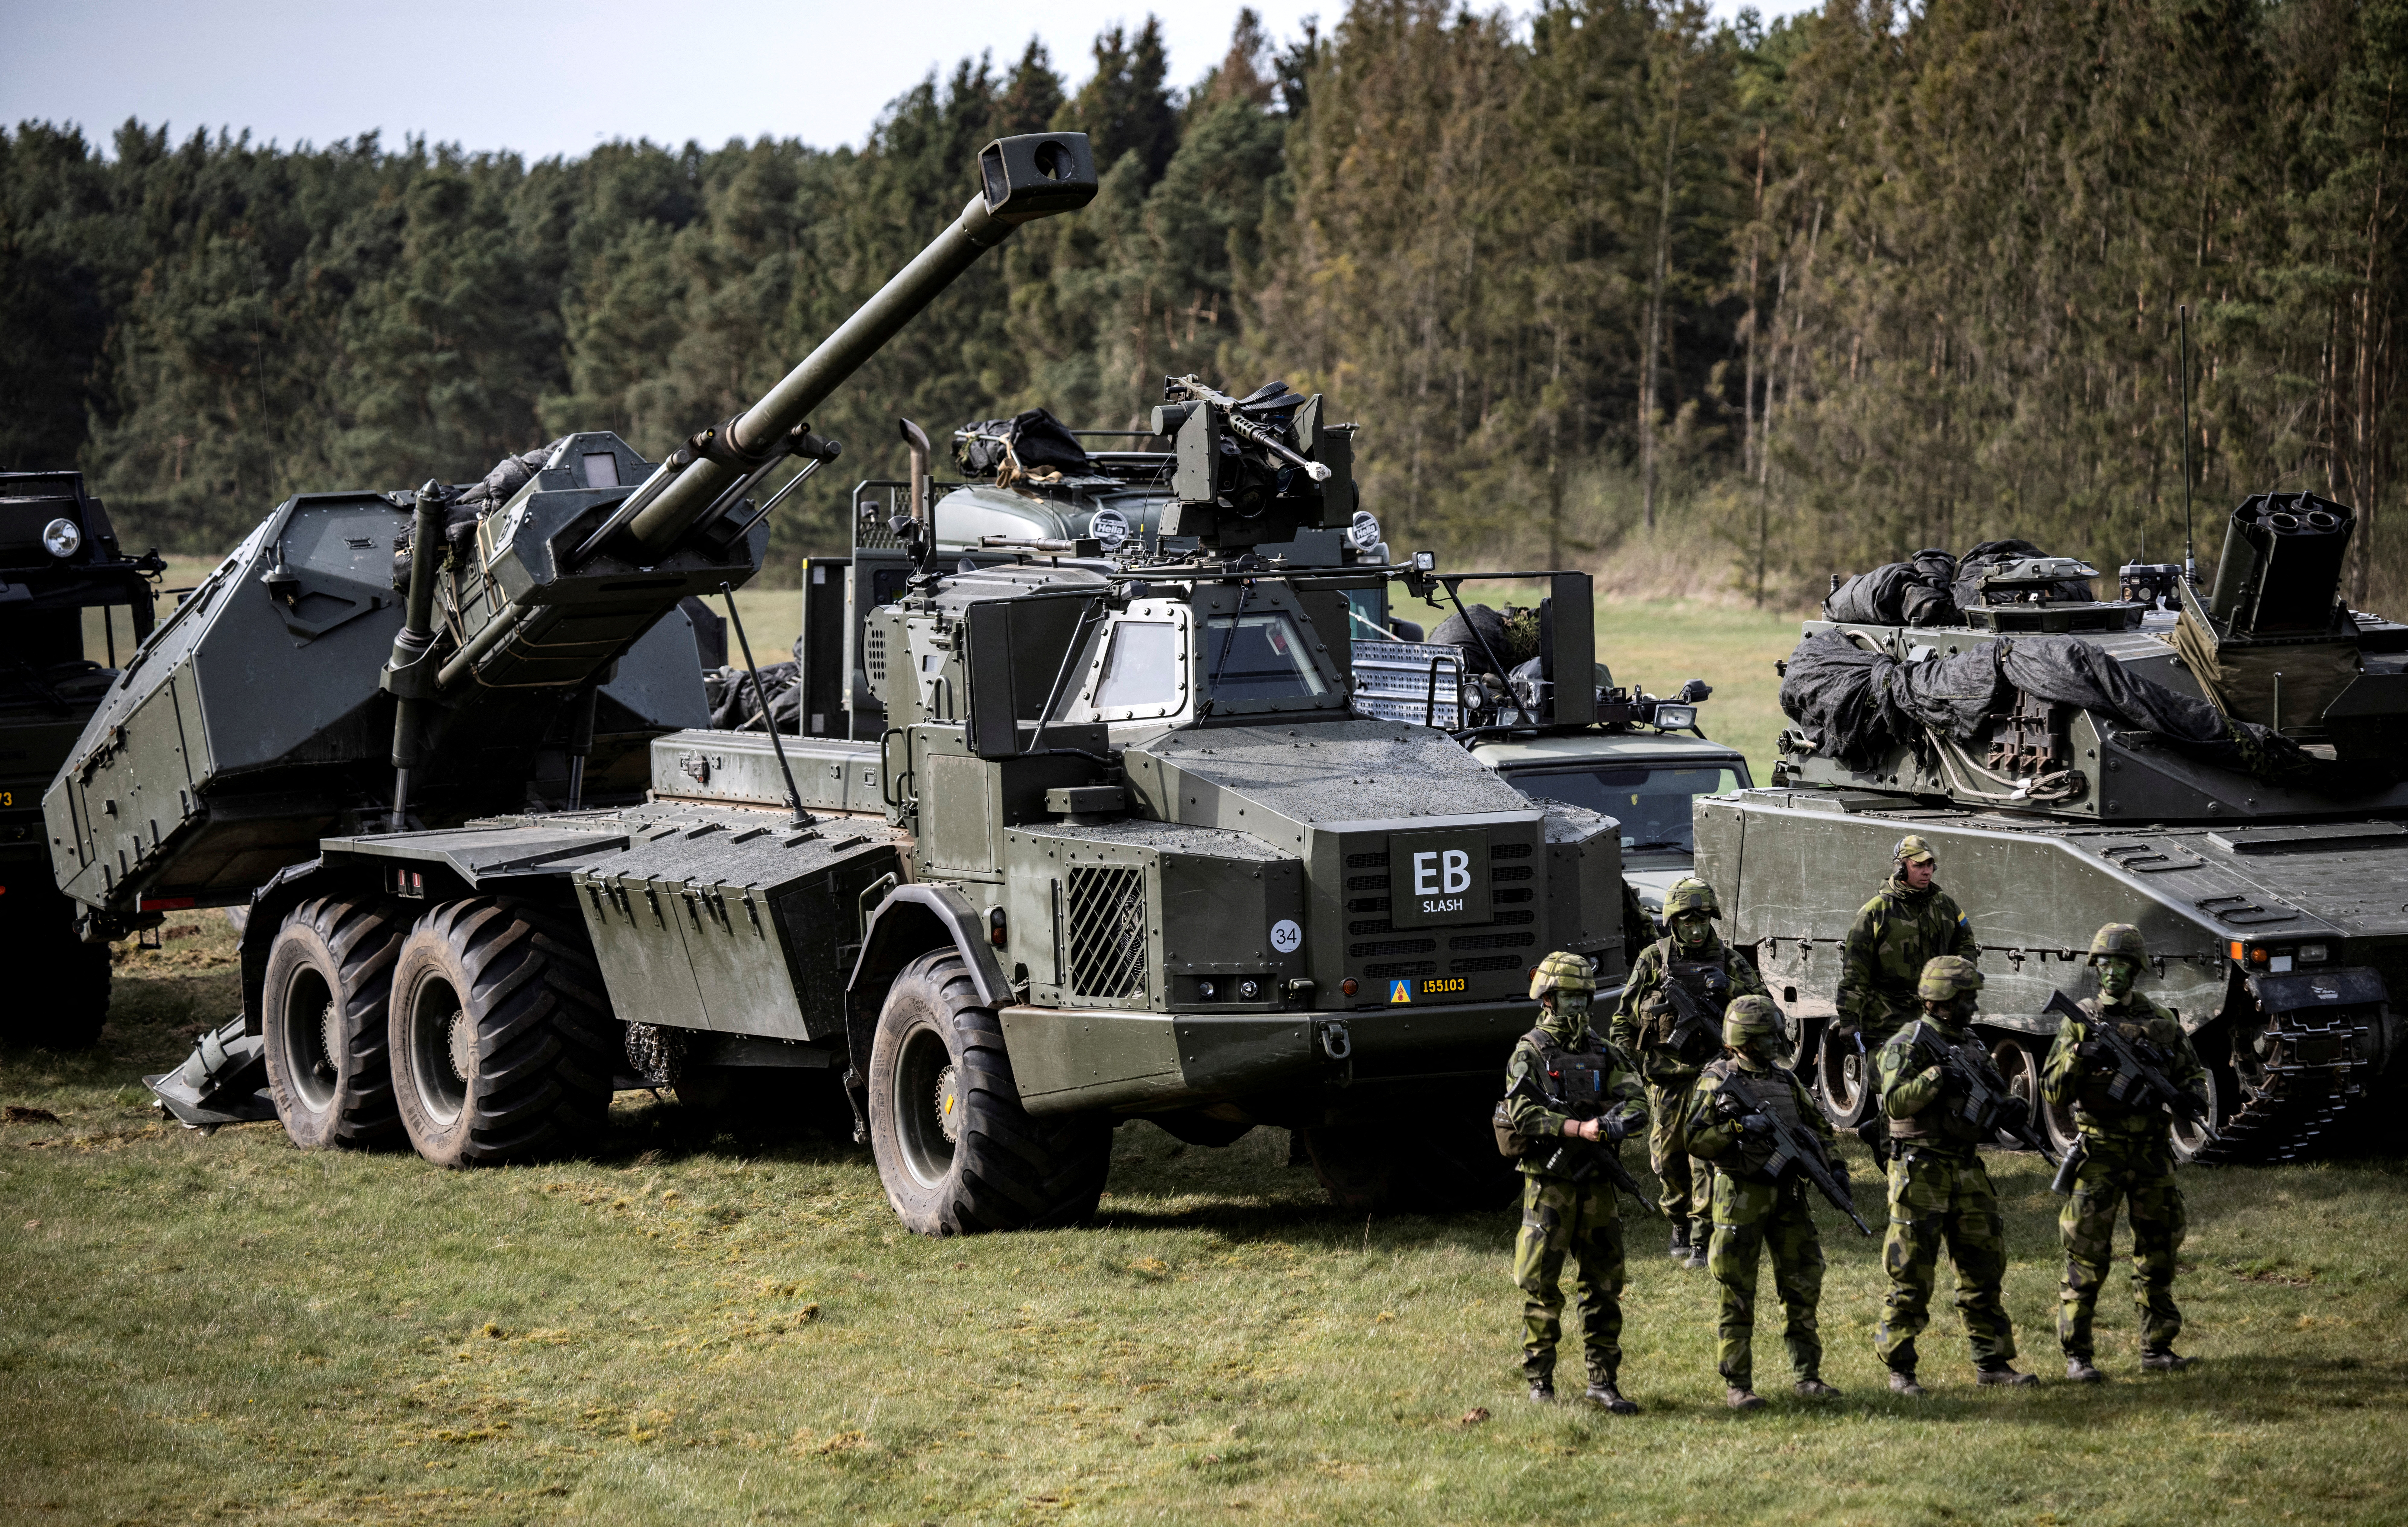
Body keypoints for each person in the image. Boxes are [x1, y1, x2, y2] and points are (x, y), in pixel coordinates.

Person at [2043, 923, 2210, 1382]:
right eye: (2106, 964)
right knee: (2085, 1255)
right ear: (2096, 968)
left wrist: (2191, 1095)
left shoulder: (2160, 1021)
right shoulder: (2079, 1019)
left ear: (2135, 969)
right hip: (2099, 1152)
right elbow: (2053, 1090)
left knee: (2158, 1250)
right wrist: (2082, 1052)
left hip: (2151, 1154)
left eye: (2121, 964)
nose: (2112, 972)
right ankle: (2077, 1355)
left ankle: (2157, 1347)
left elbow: (2189, 1071)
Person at [1871, 955, 2037, 1394]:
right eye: (1966, 998)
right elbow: (1894, 1104)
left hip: (1965, 1168)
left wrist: (2009, 1107)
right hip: (1920, 1169)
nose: (1973, 1007)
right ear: (1943, 1001)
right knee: (1911, 1273)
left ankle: (1993, 1363)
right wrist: (1936, 1078)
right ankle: (1900, 1370)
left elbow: (1991, 1095)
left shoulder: (1971, 1044)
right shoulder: (1907, 1045)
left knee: (1983, 1269)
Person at [1683, 994, 1847, 1410]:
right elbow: (1694, 1139)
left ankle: (1807, 1376)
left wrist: (1836, 1167)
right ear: (1745, 1040)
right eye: (1767, 1037)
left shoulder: (1785, 1080)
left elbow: (1818, 1128)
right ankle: (1738, 1385)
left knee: (1802, 1281)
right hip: (1741, 1196)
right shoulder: (1717, 1080)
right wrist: (1739, 1127)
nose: (1776, 1043)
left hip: (1789, 1197)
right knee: (1737, 1290)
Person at [1502, 950, 1649, 1413]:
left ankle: (1603, 1381)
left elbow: (1637, 1102)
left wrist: (1612, 1124)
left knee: (1604, 1285)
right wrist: (1575, 1129)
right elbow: (1521, 1113)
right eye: (1569, 999)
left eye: (1584, 999)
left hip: (1597, 1186)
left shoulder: (1605, 1051)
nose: (1579, 1008)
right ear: (1547, 1000)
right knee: (1542, 1287)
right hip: (1550, 1186)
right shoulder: (1529, 1051)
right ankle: (1539, 1383)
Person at [1611, 876, 1769, 1270]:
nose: (1696, 931)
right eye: (1687, 923)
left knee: (1708, 1158)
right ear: (1672, 923)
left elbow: (1766, 1012)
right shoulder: (1653, 959)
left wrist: (1731, 988)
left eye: (1702, 922)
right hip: (1667, 1079)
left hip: (1714, 1078)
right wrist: (1627, 1070)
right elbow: (1622, 1020)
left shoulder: (1729, 960)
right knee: (1668, 1162)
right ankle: (1679, 1222)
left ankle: (1702, 1236)